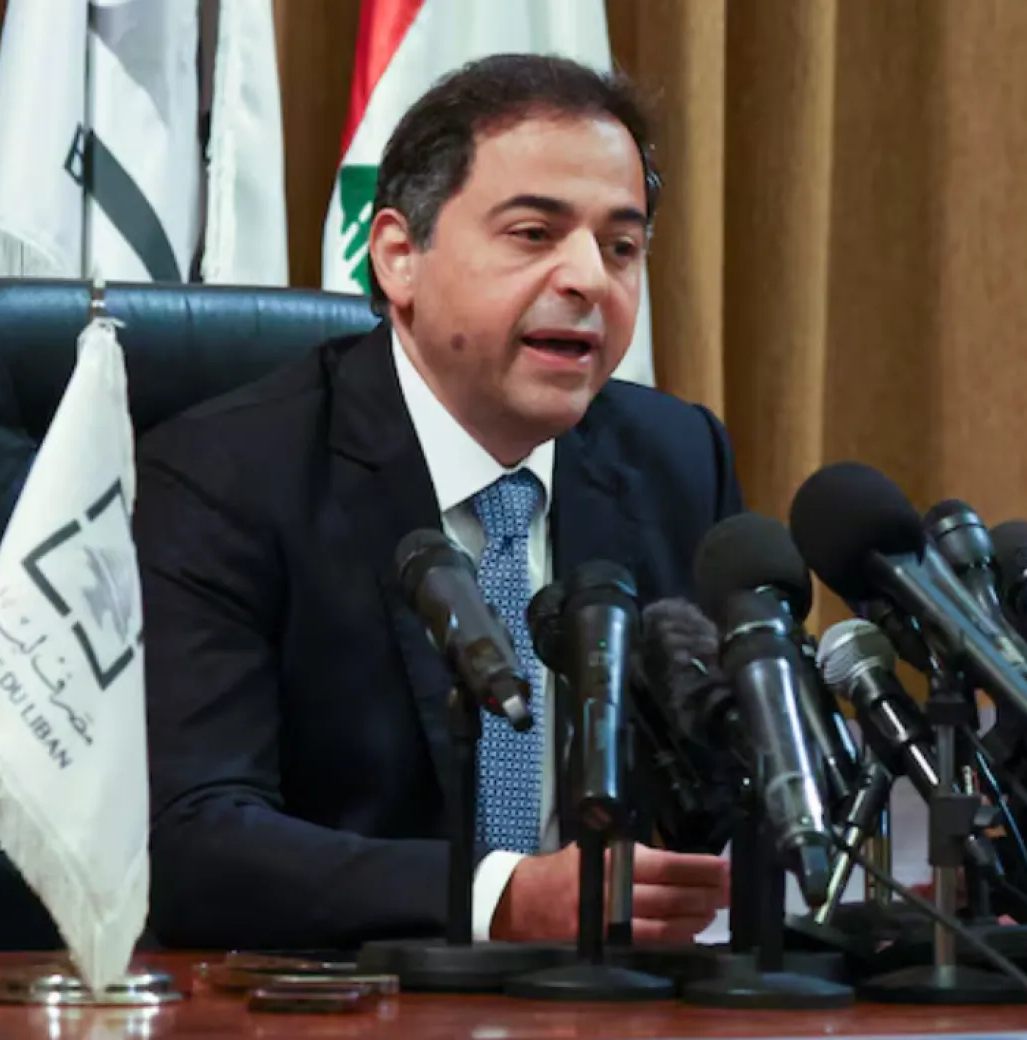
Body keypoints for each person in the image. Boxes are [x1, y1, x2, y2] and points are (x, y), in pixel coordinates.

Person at [135, 53, 743, 952]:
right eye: (535, 234)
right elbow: (194, 839)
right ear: (398, 257)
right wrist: (497, 899)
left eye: (622, 246)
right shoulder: (226, 475)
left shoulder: (675, 459)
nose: (591, 281)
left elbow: (730, 778)